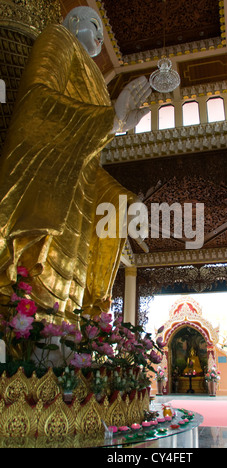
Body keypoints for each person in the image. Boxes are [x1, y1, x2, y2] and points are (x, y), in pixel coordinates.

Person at [0, 6, 151, 321]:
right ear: (71, 22)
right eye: (94, 25)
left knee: (64, 311)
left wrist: (123, 201)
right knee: (31, 294)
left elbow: (88, 165)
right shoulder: (58, 38)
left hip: (78, 208)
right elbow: (36, 105)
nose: (99, 36)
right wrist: (110, 119)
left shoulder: (96, 78)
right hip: (47, 190)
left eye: (100, 32)